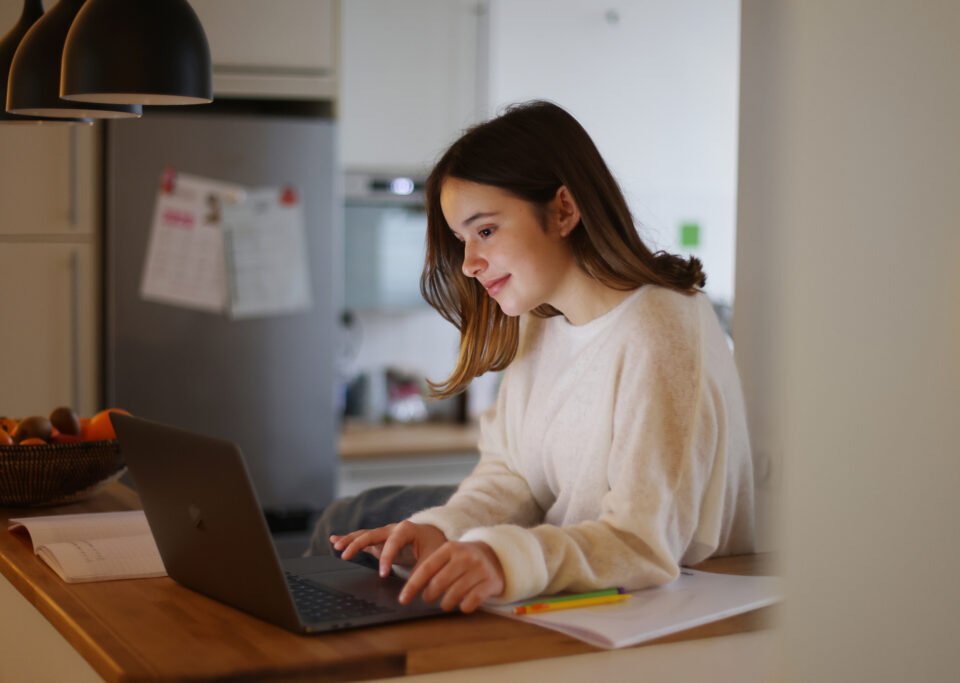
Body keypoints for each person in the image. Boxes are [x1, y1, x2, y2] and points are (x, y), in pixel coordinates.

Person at [320, 100, 755, 614]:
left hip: (668, 607)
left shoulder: (662, 327)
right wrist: (444, 532)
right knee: (351, 521)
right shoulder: (541, 320)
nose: (469, 264)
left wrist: (501, 560)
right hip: (582, 578)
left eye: (485, 231)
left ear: (564, 210)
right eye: (462, 240)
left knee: (351, 514)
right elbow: (513, 475)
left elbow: (643, 541)